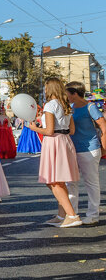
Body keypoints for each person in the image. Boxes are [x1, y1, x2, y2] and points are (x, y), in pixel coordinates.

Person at [32, 77, 81, 227]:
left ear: (50, 88)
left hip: (53, 142)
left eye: (46, 87)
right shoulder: (65, 104)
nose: (44, 90)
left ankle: (72, 216)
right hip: (65, 141)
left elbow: (49, 130)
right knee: (56, 180)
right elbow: (72, 130)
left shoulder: (50, 105)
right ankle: (62, 215)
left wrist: (33, 128)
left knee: (53, 181)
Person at [66, 82, 106, 226]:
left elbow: (103, 126)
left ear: (74, 94)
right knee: (71, 182)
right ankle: (72, 213)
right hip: (72, 150)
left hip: (89, 149)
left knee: (91, 183)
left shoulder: (91, 107)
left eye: (67, 94)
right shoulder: (70, 108)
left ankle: (93, 215)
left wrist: (104, 147)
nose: (67, 97)